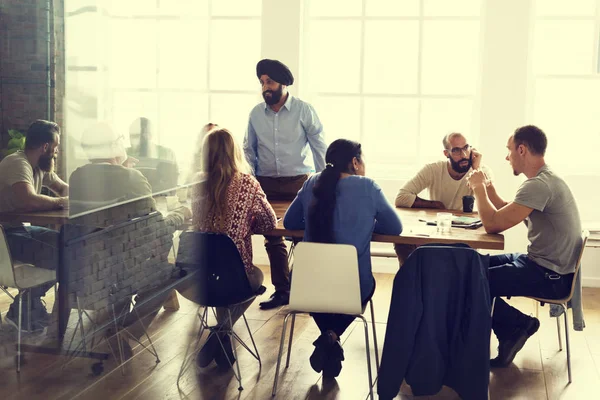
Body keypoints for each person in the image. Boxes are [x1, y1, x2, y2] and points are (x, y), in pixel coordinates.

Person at [284, 139, 402, 378]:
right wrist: (367, 221)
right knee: (360, 287)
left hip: (307, 286)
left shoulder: (311, 184)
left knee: (322, 295)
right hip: (352, 287)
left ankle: (329, 336)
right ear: (355, 162)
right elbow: (395, 227)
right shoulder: (368, 187)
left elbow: (289, 223)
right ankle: (332, 337)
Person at [467, 125, 582, 368]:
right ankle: (514, 326)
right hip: (542, 265)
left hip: (550, 276)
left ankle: (517, 326)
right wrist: (488, 189)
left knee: (474, 281)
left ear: (522, 149)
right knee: (473, 264)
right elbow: (510, 210)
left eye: (509, 151)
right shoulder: (545, 179)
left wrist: (477, 188)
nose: (507, 157)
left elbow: (493, 224)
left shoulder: (539, 185)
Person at [244, 58, 327, 310]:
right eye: (261, 82)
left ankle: (302, 290)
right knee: (272, 237)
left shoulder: (304, 110)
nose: (265, 87)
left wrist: (325, 182)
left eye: (269, 82)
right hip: (266, 183)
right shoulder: (256, 113)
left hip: (299, 183)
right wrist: (248, 179)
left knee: (301, 235)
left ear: (283, 83)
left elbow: (319, 147)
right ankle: (282, 290)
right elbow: (249, 150)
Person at [190, 128, 277, 369]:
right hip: (233, 278)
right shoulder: (247, 183)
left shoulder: (196, 184)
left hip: (199, 278)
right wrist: (248, 224)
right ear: (234, 152)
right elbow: (269, 222)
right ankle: (221, 332)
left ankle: (221, 337)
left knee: (219, 273)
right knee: (256, 276)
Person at [0, 120, 69, 331]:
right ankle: (24, 309)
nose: (56, 153)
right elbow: (27, 200)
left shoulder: (40, 166)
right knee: (65, 253)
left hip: (18, 230)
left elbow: (63, 189)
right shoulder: (17, 163)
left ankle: (23, 308)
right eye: (56, 148)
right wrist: (60, 203)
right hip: (5, 237)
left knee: (70, 245)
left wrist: (85, 195)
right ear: (45, 147)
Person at [394, 132, 493, 264]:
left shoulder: (481, 171)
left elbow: (493, 205)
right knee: (402, 243)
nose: (463, 155)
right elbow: (401, 197)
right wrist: (435, 205)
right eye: (456, 150)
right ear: (446, 153)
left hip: (464, 237)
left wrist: (476, 169)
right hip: (435, 234)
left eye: (466, 148)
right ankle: (413, 283)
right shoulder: (433, 169)